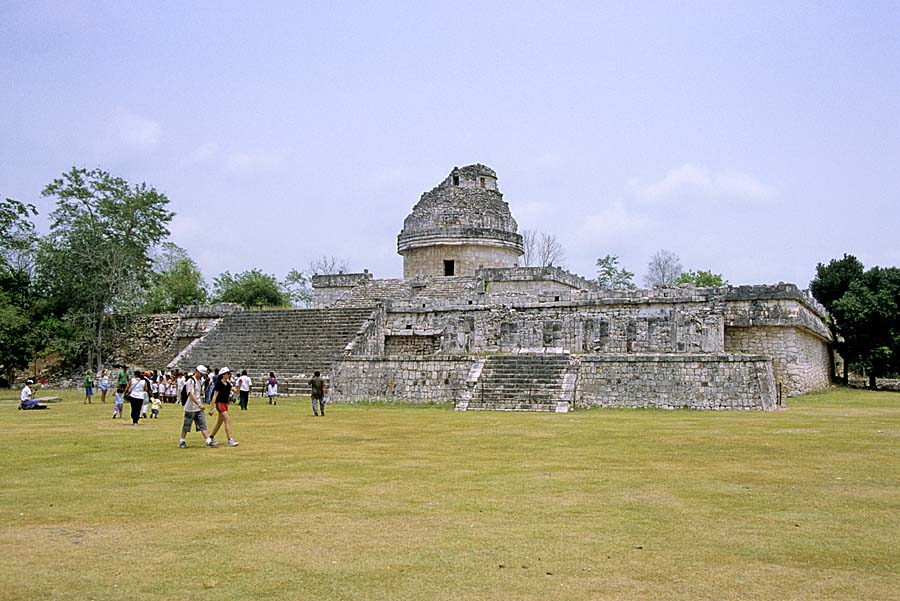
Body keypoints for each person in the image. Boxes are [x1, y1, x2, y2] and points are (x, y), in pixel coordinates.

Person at [179, 365, 214, 448]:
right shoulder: (190, 381)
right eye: (201, 374)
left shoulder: (199, 381)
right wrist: (199, 404)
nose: (202, 375)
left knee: (202, 423)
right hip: (191, 407)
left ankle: (207, 440)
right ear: (197, 372)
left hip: (198, 406)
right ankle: (182, 440)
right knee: (187, 425)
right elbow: (191, 394)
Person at [208, 367, 238, 446]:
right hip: (220, 404)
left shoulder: (228, 384)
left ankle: (211, 437)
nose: (229, 375)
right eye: (227, 373)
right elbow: (214, 396)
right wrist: (211, 409)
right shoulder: (219, 384)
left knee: (219, 423)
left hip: (225, 404)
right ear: (223, 375)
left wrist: (240, 385)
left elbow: (236, 391)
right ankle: (230, 439)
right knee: (227, 420)